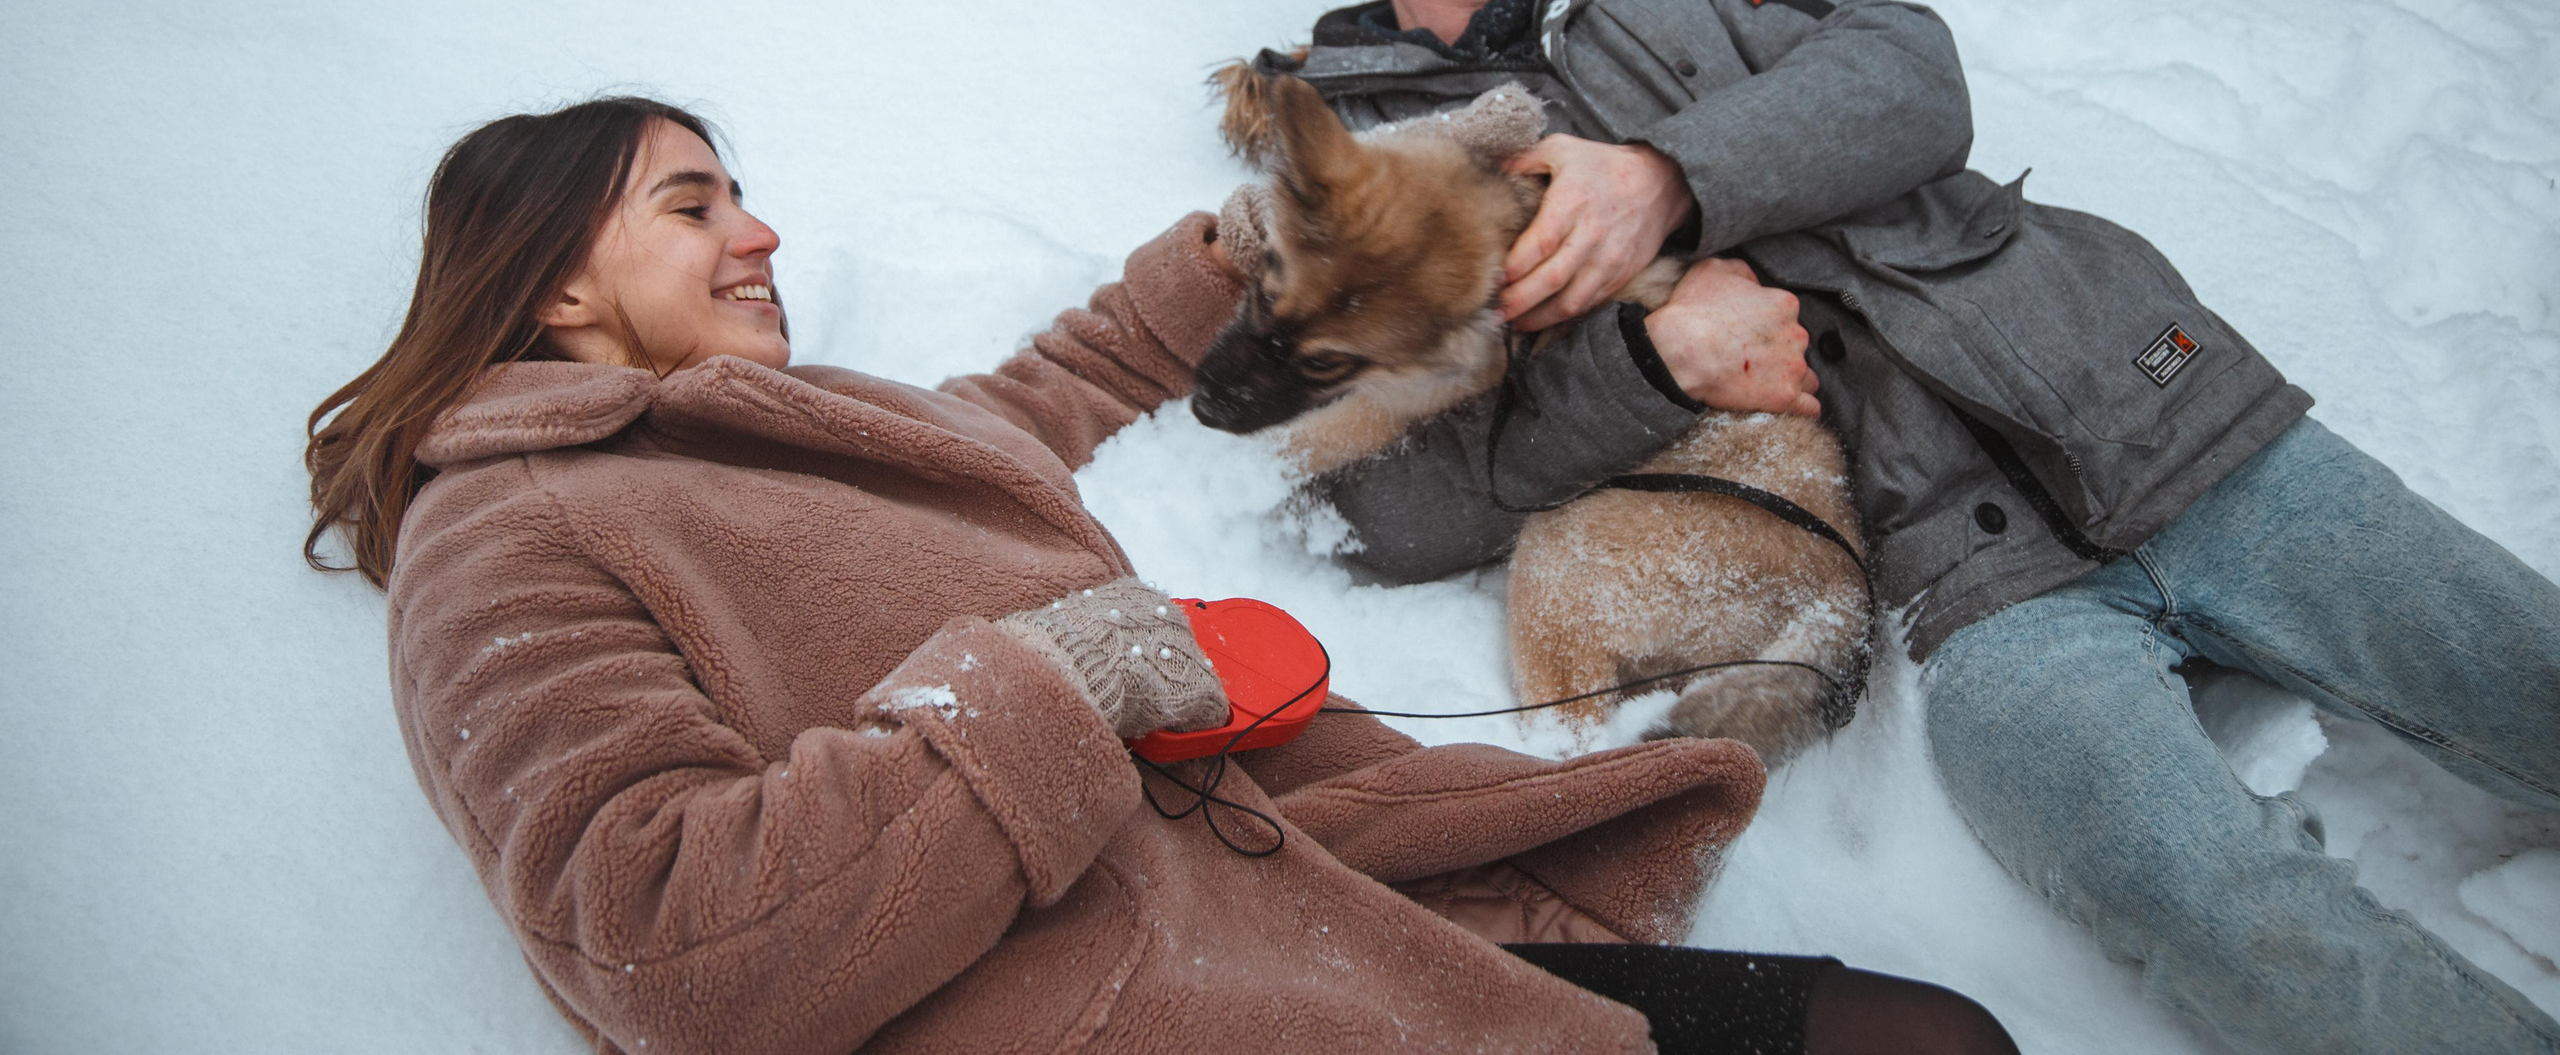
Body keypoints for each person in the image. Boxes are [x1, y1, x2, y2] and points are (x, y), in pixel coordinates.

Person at [1242, 0, 2560, 1055]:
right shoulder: (1369, 166)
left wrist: (1668, 183)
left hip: (2154, 412)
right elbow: (1394, 508)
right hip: (1968, 597)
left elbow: (1913, 76)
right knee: (2212, 902)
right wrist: (1652, 358)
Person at [304, 95, 2015, 1055]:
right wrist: (1064, 680)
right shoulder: (501, 539)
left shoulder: (833, 432)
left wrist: (1263, 240)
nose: (760, 232)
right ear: (549, 292)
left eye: (748, 193)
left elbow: (1068, 380)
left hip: (1352, 911)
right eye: (694, 207)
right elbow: (661, 944)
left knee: (1929, 1044)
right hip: (1152, 1014)